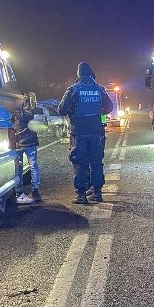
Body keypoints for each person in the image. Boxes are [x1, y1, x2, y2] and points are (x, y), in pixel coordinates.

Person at [58, 62, 113, 204]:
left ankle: (81, 195)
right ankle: (97, 193)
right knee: (96, 162)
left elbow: (62, 110)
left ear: (79, 74)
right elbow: (109, 107)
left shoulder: (73, 90)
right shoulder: (99, 89)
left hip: (79, 132)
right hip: (96, 132)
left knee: (80, 163)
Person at [14, 102, 41, 203]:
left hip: (19, 142)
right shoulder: (28, 108)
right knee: (33, 166)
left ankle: (20, 192)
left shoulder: (14, 109)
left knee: (19, 169)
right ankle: (34, 191)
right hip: (29, 141)